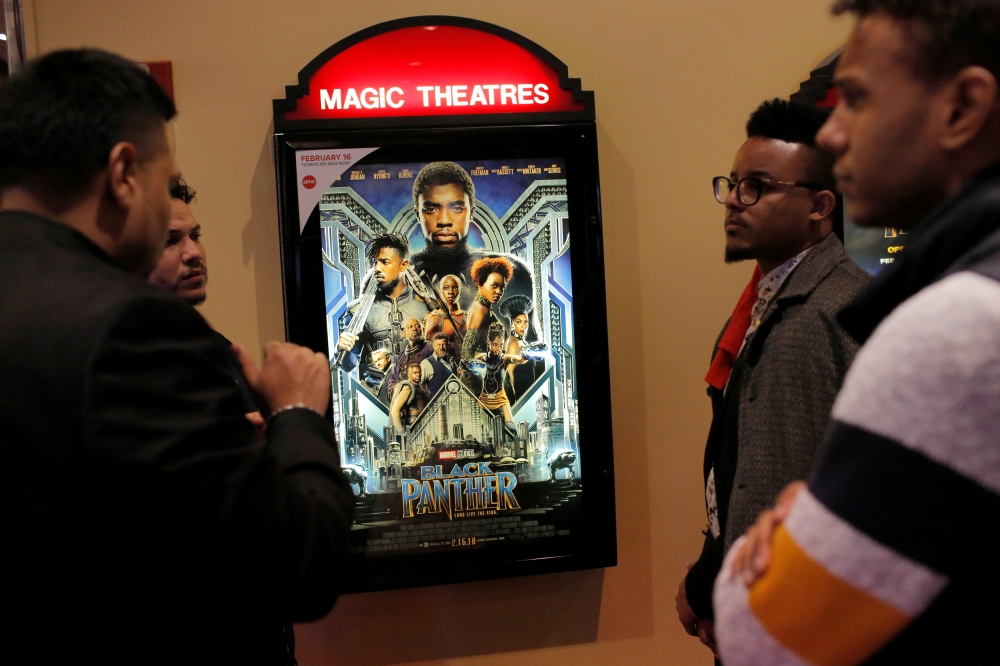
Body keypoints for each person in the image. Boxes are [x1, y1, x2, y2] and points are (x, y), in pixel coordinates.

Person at [0, 49, 354, 665]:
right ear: (123, 172)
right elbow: (298, 570)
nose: (183, 238)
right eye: (165, 186)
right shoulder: (131, 326)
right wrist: (297, 417)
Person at [715, 3, 1000, 665]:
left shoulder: (958, 328)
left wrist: (785, 534)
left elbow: (767, 639)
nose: (834, 133)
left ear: (962, 107)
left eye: (859, 100)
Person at [676, 98, 870, 657]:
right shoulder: (770, 297)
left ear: (820, 206)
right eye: (734, 183)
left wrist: (717, 594)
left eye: (757, 186)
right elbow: (737, 463)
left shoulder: (826, 312)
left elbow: (781, 486)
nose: (734, 200)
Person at [147, 179, 263, 427]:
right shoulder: (120, 361)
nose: (194, 253)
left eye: (195, 236)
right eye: (169, 241)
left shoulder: (217, 349)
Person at [408, 161, 537, 331]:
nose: (444, 221)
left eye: (456, 208)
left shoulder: (513, 273)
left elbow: (530, 345)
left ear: (471, 213)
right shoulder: (397, 275)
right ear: (418, 214)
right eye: (431, 209)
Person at [335, 233, 429, 372]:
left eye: (385, 262)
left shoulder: (426, 306)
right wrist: (342, 348)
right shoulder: (359, 310)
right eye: (375, 262)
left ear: (403, 265)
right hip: (379, 384)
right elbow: (349, 365)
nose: (377, 268)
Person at [474, 321, 520, 429]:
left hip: (500, 399)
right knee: (477, 427)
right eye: (495, 344)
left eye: (501, 345)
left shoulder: (505, 359)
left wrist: (528, 355)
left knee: (510, 428)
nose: (499, 349)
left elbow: (519, 359)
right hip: (484, 399)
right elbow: (469, 370)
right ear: (488, 342)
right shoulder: (481, 358)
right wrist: (464, 367)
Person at [497, 294, 539, 402]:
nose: (524, 326)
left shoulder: (522, 342)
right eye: (519, 322)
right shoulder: (513, 343)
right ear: (512, 324)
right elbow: (509, 373)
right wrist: (513, 402)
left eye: (526, 322)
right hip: (521, 396)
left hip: (528, 393)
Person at [386, 317, 434, 394]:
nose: (414, 329)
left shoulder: (430, 348)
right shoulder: (401, 356)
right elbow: (393, 379)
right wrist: (394, 389)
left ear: (423, 330)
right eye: (410, 327)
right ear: (404, 333)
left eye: (418, 326)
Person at [423, 273, 467, 353]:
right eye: (446, 288)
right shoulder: (434, 318)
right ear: (441, 291)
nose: (450, 292)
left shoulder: (467, 317)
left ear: (460, 291)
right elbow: (427, 348)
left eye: (455, 288)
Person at [389, 362, 429, 431]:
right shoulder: (408, 387)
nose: (418, 375)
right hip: (413, 427)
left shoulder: (419, 387)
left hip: (421, 425)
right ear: (409, 374)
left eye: (419, 372)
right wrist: (400, 431)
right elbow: (395, 410)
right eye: (415, 373)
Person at [420, 332, 458, 398]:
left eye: (444, 344)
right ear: (434, 346)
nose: (441, 347)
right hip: (436, 403)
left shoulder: (453, 362)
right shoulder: (426, 363)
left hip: (454, 401)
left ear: (448, 346)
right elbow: (419, 384)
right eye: (438, 345)